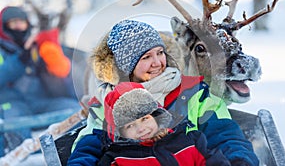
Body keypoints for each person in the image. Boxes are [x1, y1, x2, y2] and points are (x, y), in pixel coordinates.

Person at [68, 19, 259, 165]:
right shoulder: (107, 104)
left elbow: (225, 135)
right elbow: (87, 148)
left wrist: (238, 161)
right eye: (146, 57)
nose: (157, 63)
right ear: (126, 66)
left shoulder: (195, 94)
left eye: (160, 53)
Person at [0, 6, 81, 156]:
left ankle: (71, 155)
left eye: (21, 22)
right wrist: (19, 60)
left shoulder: (36, 46)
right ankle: (23, 160)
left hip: (40, 101)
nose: (18, 26)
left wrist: (50, 63)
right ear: (4, 26)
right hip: (11, 104)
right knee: (14, 126)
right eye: (13, 23)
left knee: (75, 111)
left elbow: (61, 83)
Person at [99, 82, 231, 166]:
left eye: (145, 118)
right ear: (120, 133)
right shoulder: (118, 159)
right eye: (129, 126)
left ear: (156, 116)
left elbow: (213, 160)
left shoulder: (188, 141)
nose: (141, 128)